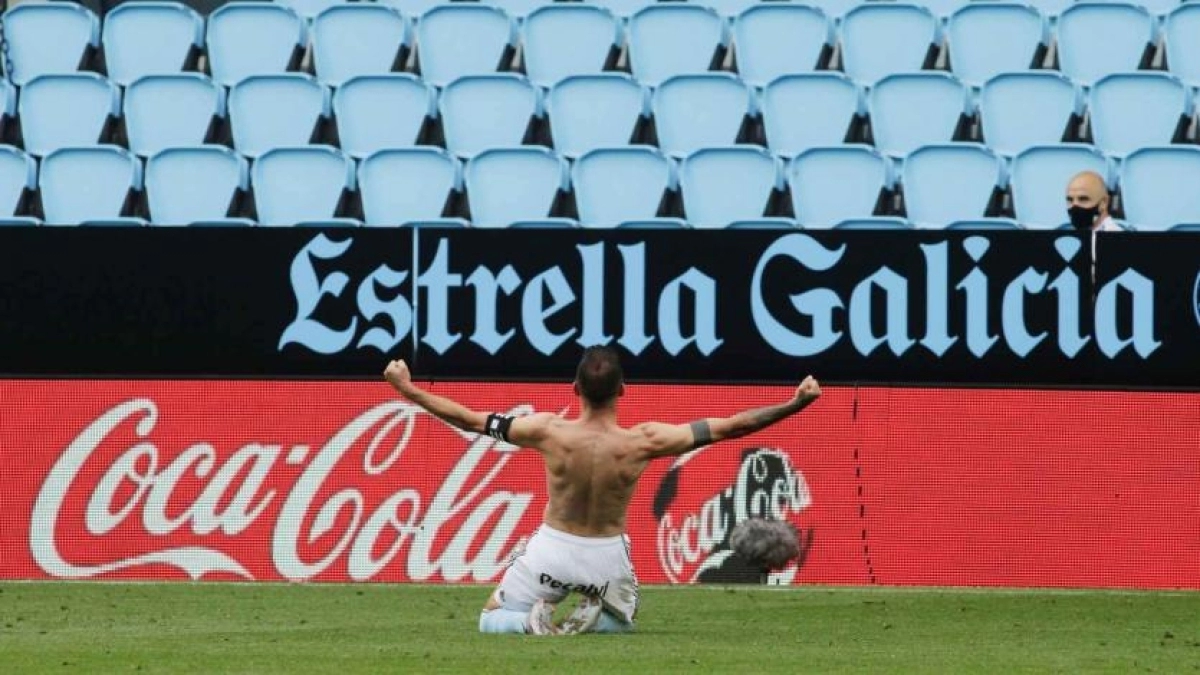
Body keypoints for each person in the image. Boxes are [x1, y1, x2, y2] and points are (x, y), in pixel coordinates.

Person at [382, 347, 822, 636]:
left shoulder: (546, 431)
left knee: (490, 618)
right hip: (606, 558)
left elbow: (470, 420)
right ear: (623, 391)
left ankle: (530, 625)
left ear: (574, 389)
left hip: (550, 552)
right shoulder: (644, 441)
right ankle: (597, 619)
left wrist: (407, 388)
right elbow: (733, 427)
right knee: (622, 625)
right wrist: (795, 403)